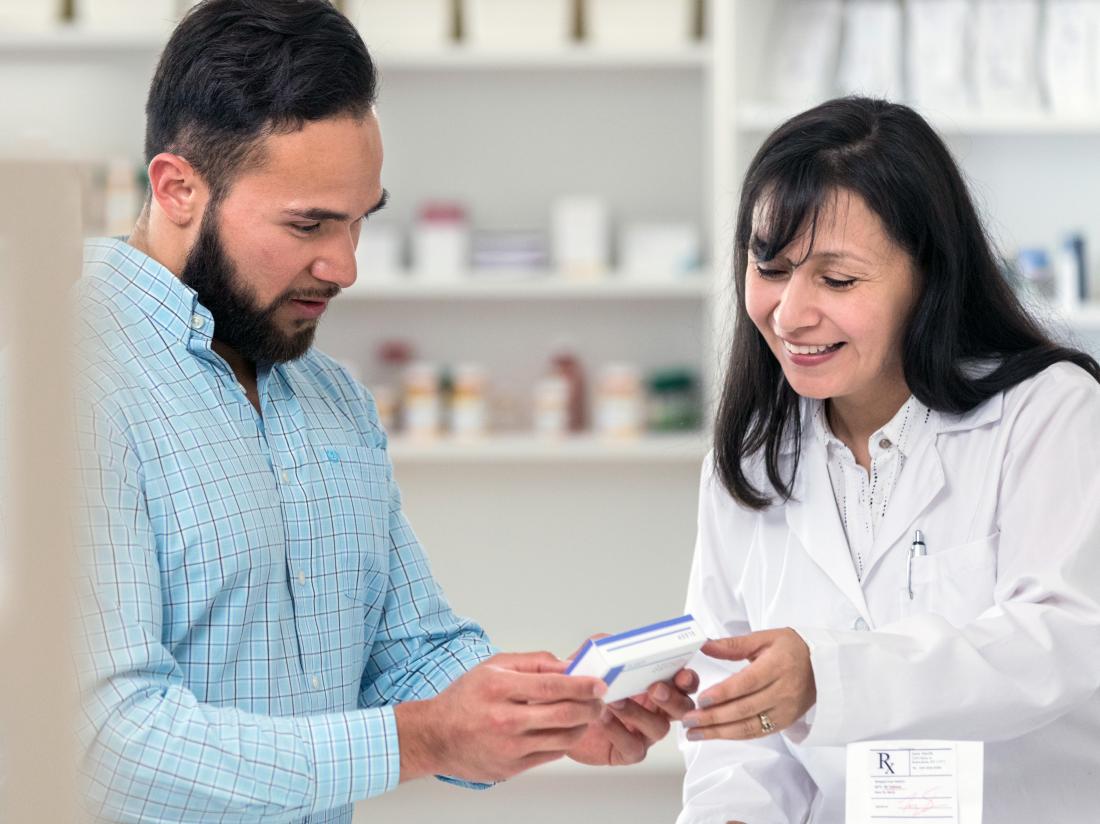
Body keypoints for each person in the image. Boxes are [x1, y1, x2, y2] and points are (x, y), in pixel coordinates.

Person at [73, 2, 694, 821]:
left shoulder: (329, 398)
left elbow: (407, 654)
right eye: (309, 224)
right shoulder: (65, 383)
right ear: (177, 187)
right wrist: (424, 739)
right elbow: (108, 742)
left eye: (361, 220)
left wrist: (551, 716)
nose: (345, 265)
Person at [673, 96, 1100, 824]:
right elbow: (735, 724)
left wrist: (828, 675)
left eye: (838, 281)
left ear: (930, 277)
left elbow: (1060, 640)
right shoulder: (751, 460)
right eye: (770, 267)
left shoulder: (1048, 412)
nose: (789, 313)